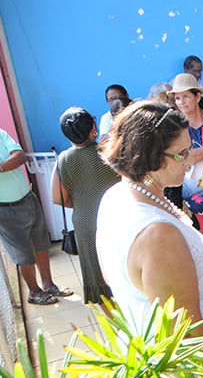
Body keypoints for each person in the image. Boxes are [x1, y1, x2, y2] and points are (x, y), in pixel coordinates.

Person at [96, 101, 203, 364]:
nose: (190, 160)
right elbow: (187, 331)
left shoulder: (116, 196)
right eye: (181, 154)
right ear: (151, 157)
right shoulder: (158, 234)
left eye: (190, 149)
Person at [51, 107, 120, 303]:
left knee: (97, 274)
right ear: (93, 128)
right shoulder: (109, 152)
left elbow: (57, 198)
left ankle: (113, 325)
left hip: (86, 224)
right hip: (116, 217)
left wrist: (84, 202)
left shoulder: (63, 160)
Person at [0, 129, 73, 305]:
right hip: (5, 209)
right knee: (23, 253)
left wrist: (1, 167)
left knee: (41, 243)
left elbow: (19, 156)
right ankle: (34, 292)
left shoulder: (0, 134)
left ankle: (49, 285)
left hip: (27, 198)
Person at [171, 73, 203, 216]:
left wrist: (196, 154)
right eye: (177, 98)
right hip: (193, 194)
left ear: (197, 97)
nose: (181, 102)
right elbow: (179, 158)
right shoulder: (176, 126)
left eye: (186, 97)